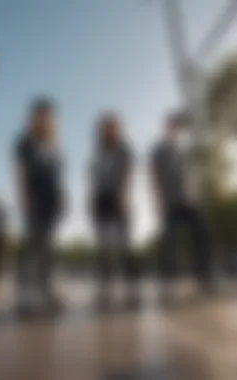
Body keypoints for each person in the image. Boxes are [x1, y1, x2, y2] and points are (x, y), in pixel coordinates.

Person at [150, 111, 214, 300]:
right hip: (171, 201)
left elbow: (193, 176)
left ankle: (203, 277)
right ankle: (168, 281)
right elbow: (156, 176)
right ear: (168, 128)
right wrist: (159, 199)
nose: (178, 131)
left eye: (181, 127)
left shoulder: (185, 151)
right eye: (175, 126)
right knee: (170, 240)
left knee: (203, 231)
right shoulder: (159, 150)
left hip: (190, 200)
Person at [14, 98, 64, 313]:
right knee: (32, 245)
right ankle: (25, 295)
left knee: (47, 246)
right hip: (34, 198)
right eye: (42, 114)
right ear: (34, 117)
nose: (45, 118)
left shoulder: (54, 145)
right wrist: (24, 196)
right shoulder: (25, 141)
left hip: (52, 200)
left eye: (49, 115)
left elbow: (58, 175)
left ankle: (46, 291)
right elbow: (21, 171)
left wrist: (62, 199)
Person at [89, 112, 138, 309]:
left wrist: (124, 195)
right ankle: (105, 290)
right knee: (104, 248)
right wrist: (92, 202)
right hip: (101, 202)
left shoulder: (125, 150)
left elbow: (128, 172)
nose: (110, 130)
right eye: (106, 127)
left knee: (125, 246)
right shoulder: (98, 153)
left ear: (118, 129)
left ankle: (132, 291)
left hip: (119, 199)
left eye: (113, 127)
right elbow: (94, 178)